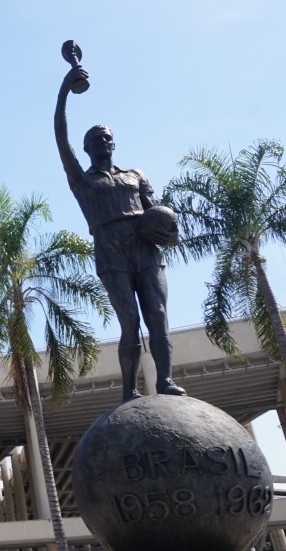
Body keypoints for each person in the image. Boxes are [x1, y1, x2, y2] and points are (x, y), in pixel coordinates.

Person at [54, 66, 186, 402]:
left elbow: (157, 214)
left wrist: (169, 232)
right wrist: (64, 91)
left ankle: (164, 381)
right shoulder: (82, 180)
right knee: (130, 320)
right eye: (97, 139)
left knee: (157, 314)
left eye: (108, 137)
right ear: (86, 148)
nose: (104, 142)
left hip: (144, 248)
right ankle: (129, 389)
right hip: (110, 250)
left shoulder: (135, 174)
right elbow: (60, 137)